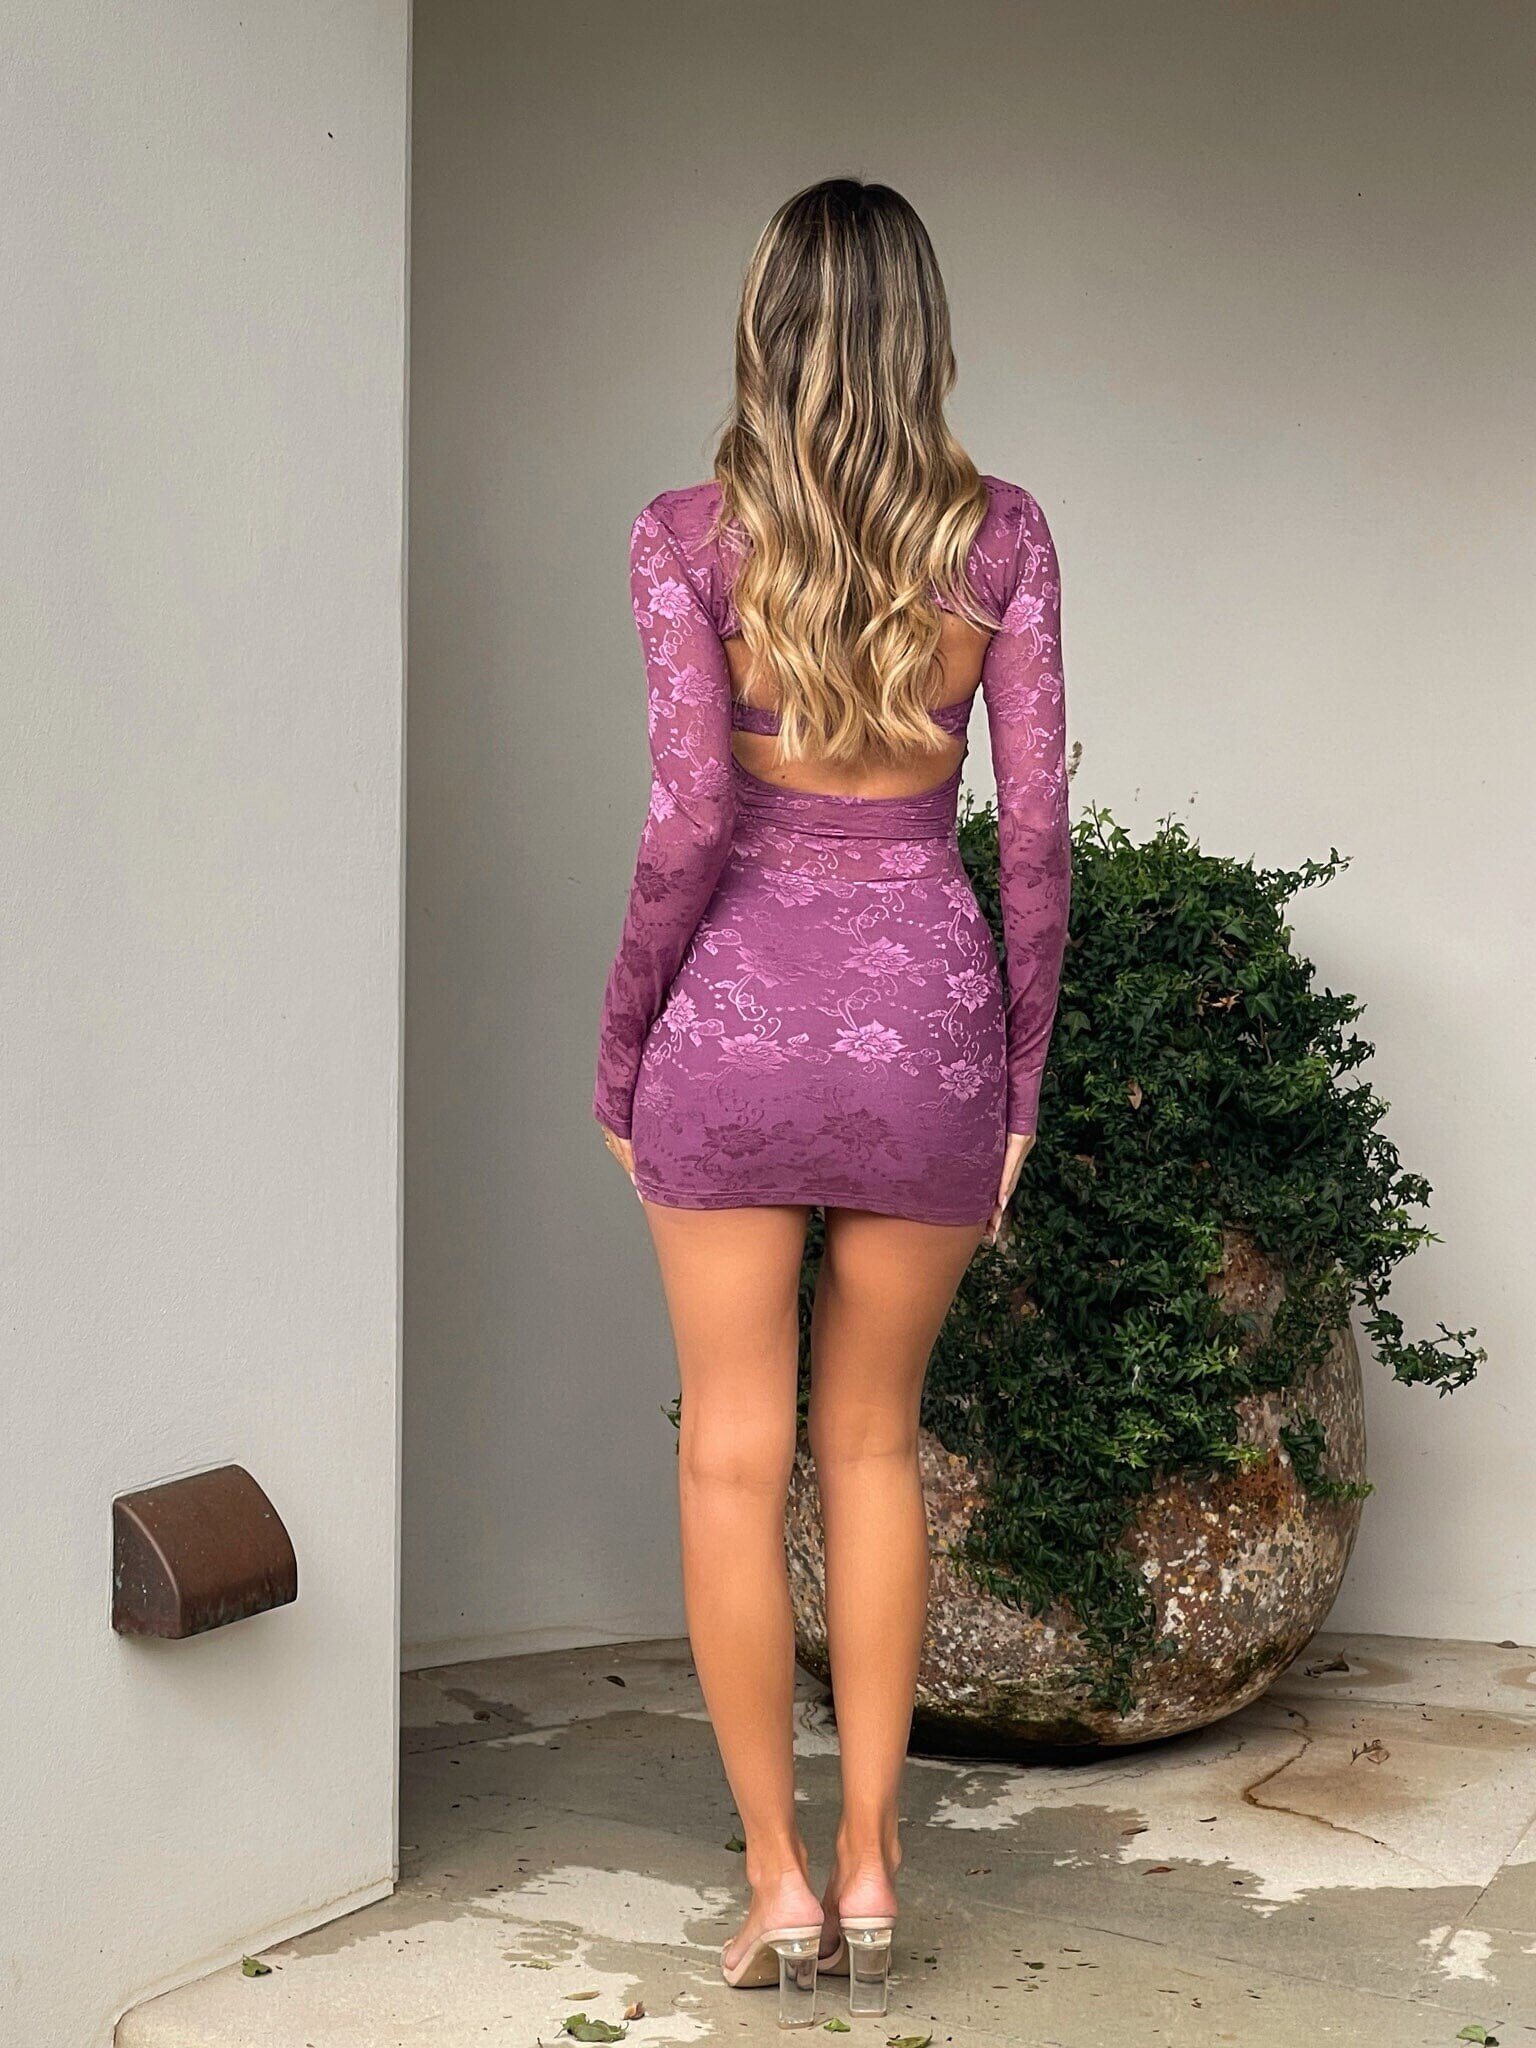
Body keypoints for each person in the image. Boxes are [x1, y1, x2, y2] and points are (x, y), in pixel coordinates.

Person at [592, 176, 1071, 2027]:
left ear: (763, 329)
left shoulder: (685, 539)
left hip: (732, 1028)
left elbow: (688, 825)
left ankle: (776, 1886)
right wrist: (1019, 1080)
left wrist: (622, 1044)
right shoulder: (1004, 537)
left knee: (733, 1452)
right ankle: (874, 1862)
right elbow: (1034, 839)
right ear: (926, 335)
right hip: (928, 1028)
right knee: (870, 1446)